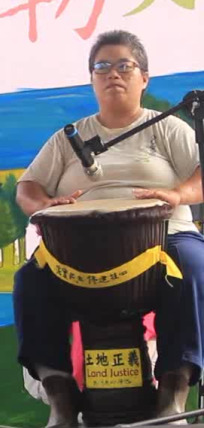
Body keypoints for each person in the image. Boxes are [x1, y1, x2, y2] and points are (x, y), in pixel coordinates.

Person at [13, 29, 204, 426]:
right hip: (78, 253)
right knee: (30, 279)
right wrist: (44, 206)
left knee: (192, 265)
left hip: (162, 242)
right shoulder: (69, 138)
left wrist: (177, 195)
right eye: (102, 66)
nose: (112, 74)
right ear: (92, 79)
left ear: (144, 78)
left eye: (124, 66)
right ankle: (61, 400)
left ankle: (173, 396)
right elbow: (27, 188)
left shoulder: (169, 128)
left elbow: (199, 177)